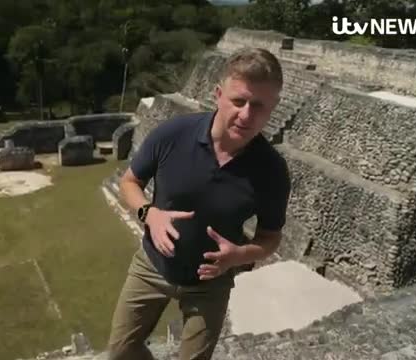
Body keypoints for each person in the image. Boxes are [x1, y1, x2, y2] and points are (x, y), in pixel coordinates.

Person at [107, 48, 291, 360]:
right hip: (151, 265)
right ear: (219, 95)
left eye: (258, 106)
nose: (246, 115)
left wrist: (240, 255)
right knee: (121, 352)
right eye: (238, 101)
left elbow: (270, 237)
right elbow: (129, 183)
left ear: (273, 107)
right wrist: (148, 214)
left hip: (210, 282)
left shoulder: (271, 170)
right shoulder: (173, 135)